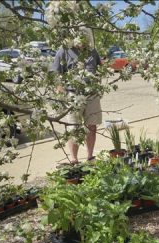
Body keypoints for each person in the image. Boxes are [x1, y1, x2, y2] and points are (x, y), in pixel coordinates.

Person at [50, 27, 102, 163]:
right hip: (73, 94)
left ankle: (90, 156)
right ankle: (73, 159)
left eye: (85, 38)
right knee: (74, 128)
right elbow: (55, 71)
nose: (83, 42)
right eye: (80, 38)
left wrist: (100, 82)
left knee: (92, 126)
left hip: (92, 94)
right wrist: (59, 86)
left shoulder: (92, 51)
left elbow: (100, 68)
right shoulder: (64, 50)